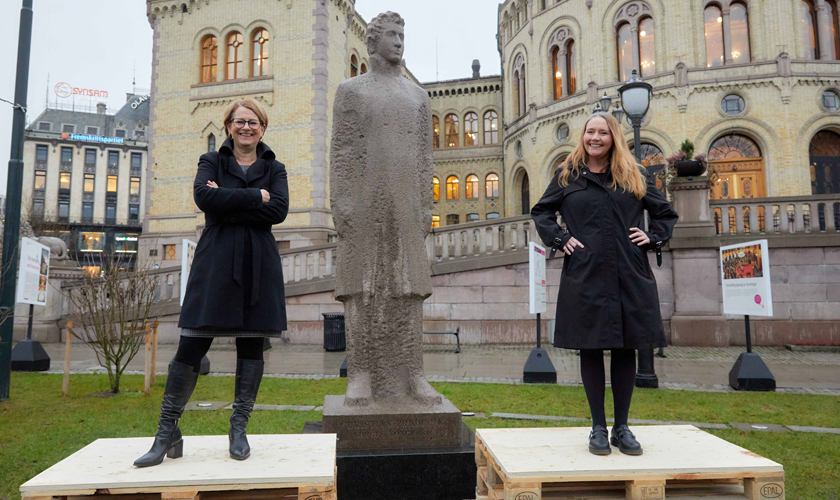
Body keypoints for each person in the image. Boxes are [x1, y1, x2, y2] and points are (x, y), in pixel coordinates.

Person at [134, 98, 289, 467]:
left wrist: (229, 199)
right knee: (191, 345)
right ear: (229, 126)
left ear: (263, 128)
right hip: (216, 259)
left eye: (253, 122)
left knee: (252, 346)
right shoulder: (211, 161)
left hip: (258, 262)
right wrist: (255, 196)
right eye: (239, 122)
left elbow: (279, 210)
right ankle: (166, 432)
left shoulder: (275, 167)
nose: (246, 127)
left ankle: (238, 430)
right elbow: (204, 198)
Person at [531, 112, 677, 456]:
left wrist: (653, 237)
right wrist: (560, 238)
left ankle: (622, 427)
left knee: (628, 347)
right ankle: (598, 426)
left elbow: (664, 213)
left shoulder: (634, 175)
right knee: (591, 348)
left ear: (614, 138)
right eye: (590, 132)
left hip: (629, 272)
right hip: (586, 273)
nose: (595, 138)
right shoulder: (567, 176)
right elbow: (542, 212)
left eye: (603, 133)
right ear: (583, 136)